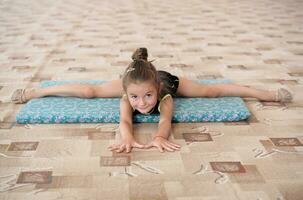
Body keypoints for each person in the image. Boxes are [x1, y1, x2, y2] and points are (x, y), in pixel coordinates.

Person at [11, 48, 293, 153]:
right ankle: (35, 92)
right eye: (135, 97)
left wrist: (159, 136)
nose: (143, 103)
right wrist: (127, 138)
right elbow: (124, 120)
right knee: (89, 91)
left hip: (169, 78)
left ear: (157, 90)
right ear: (127, 91)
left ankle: (266, 93)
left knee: (213, 91)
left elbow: (165, 120)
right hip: (134, 77)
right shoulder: (128, 95)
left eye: (148, 96)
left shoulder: (165, 93)